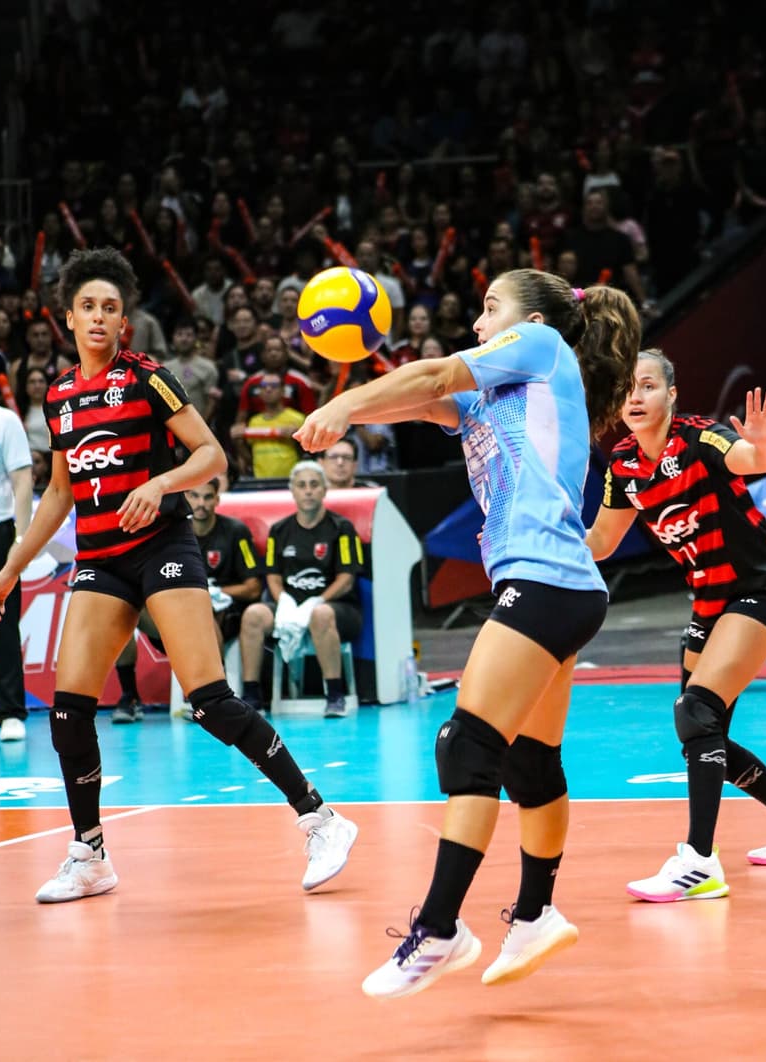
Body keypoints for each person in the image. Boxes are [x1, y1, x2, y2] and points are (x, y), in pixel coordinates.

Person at [294, 269, 640, 996]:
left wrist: (345, 402)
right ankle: (536, 917)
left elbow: (436, 370)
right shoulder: (490, 396)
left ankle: (441, 928)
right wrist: (353, 401)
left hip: (548, 577)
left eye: (490, 308)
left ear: (531, 318)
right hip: (558, 583)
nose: (479, 322)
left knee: (468, 743)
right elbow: (426, 395)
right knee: (529, 765)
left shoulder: (541, 346)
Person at [0, 247, 357, 902]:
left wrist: (160, 483)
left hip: (162, 546)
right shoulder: (61, 395)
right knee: (68, 710)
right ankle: (90, 853)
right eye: (88, 307)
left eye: (111, 308)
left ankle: (320, 817)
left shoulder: (147, 377)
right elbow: (58, 495)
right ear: (67, 316)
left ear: (123, 320)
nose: (100, 318)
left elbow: (211, 454)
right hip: (100, 560)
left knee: (210, 701)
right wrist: (9, 570)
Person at [586, 348, 766, 904]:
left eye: (648, 386)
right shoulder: (624, 466)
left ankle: (698, 863)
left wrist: (765, 443)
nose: (635, 397)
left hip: (763, 592)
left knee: (695, 711)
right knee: (703, 732)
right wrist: (528, 548)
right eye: (627, 388)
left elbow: (752, 459)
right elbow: (600, 543)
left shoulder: (701, 438)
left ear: (671, 395)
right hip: (709, 604)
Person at [110, 477, 263, 723]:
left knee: (202, 616)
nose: (201, 503)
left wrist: (217, 592)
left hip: (224, 618)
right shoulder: (167, 534)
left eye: (207, 497)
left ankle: (214, 701)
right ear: (184, 498)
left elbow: (254, 587)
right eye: (194, 496)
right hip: (172, 620)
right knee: (123, 612)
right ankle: (129, 697)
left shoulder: (236, 532)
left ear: (217, 500)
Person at [238, 460, 364, 720]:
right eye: (302, 485)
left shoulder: (342, 529)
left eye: (314, 485)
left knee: (320, 615)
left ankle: (335, 694)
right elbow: (272, 575)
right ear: (293, 491)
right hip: (289, 604)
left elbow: (346, 580)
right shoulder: (279, 530)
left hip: (338, 608)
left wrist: (316, 601)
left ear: (324, 490)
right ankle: (251, 695)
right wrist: (282, 600)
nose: (308, 491)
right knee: (253, 615)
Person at [0, 393, 32, 741]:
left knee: (1, 623)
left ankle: (11, 713)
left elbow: (22, 480)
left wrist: (22, 539)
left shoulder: (3, 421)